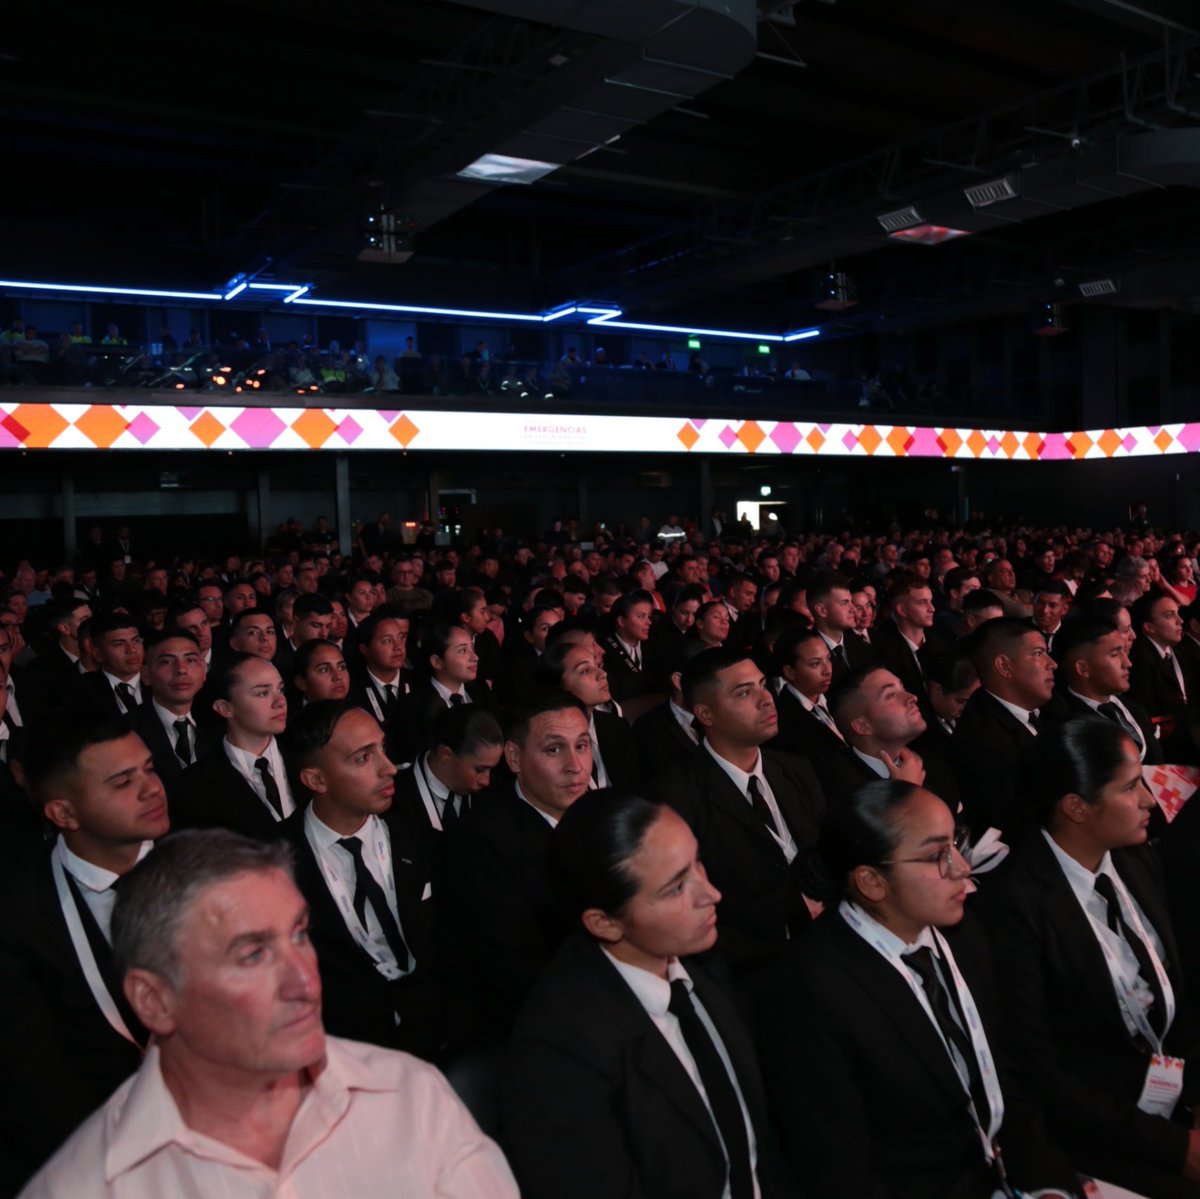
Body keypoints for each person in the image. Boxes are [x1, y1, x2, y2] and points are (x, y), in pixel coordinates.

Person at [18, 829, 519, 1198]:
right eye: (252, 954)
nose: (305, 981)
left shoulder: (413, 1097)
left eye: (300, 934)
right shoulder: (82, 1186)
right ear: (155, 1000)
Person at [758, 779, 1079, 1199]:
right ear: (872, 882)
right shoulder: (810, 990)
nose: (962, 869)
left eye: (956, 845)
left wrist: (1049, 1184)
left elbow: (1002, 1075)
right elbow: (838, 1169)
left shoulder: (963, 935)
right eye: (937, 856)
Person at [504, 791, 791, 1199]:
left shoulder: (700, 963)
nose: (711, 893)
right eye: (676, 888)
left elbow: (762, 1147)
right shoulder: (558, 1051)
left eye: (697, 863)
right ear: (604, 924)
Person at [982, 719, 1200, 1198]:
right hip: (1096, 1127)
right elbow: (1043, 1073)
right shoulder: (1015, 904)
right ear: (1076, 807)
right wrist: (1175, 1147)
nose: (1149, 799)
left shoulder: (1134, 858)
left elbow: (1180, 993)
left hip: (1173, 1092)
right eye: (1130, 787)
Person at [0, 715, 165, 1193]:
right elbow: (34, 1086)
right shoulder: (20, 917)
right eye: (122, 781)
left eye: (149, 768)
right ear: (63, 814)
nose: (152, 788)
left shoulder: (212, 868)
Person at [653, 648, 825, 975]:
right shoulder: (675, 798)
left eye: (763, 685)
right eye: (745, 692)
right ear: (705, 713)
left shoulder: (796, 770)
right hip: (754, 967)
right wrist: (792, 914)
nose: (766, 699)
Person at [282, 701, 439, 1059]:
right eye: (363, 758)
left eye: (382, 749)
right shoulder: (274, 864)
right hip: (338, 1055)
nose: (389, 768)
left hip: (436, 1043)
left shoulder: (423, 840)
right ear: (316, 779)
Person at [439, 691, 592, 1038]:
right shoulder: (478, 841)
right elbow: (512, 969)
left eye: (582, 746)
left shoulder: (604, 815)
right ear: (514, 757)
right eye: (554, 749)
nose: (575, 766)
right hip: (537, 1027)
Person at [951, 617, 1056, 842]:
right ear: (1004, 666)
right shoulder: (985, 742)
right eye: (1038, 653)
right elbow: (1017, 829)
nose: (1052, 664)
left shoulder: (1038, 711)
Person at [173, 653, 296, 838]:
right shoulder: (195, 786)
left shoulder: (309, 756)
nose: (280, 702)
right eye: (263, 693)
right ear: (225, 708)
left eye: (281, 689)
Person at [536, 639, 639, 791]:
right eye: (585, 671)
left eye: (597, 666)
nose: (602, 674)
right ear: (558, 686)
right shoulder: (544, 739)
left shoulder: (616, 726)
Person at [128, 627, 215, 804]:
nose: (181, 670)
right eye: (167, 662)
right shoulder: (127, 732)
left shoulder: (221, 724)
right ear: (145, 675)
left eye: (190, 660)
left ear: (204, 671)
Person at [393, 704, 504, 837]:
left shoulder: (492, 798)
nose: (486, 781)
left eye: (492, 769)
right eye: (479, 770)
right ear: (446, 756)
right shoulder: (394, 800)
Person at [291, 637, 350, 706]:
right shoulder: (287, 714)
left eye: (342, 667)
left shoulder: (361, 711)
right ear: (301, 683)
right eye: (324, 669)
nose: (338, 676)